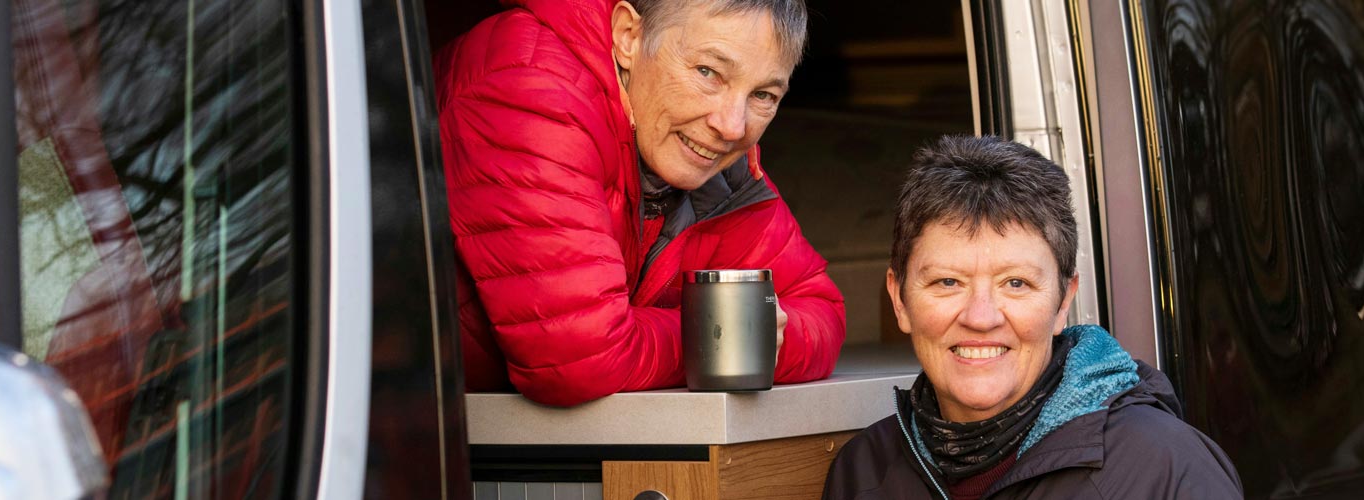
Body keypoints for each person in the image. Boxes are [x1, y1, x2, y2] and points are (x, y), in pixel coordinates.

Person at [433, 0, 846, 406]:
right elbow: (581, 358)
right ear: (629, 36)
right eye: (708, 72)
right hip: (397, 441)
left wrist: (735, 337)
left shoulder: (704, 153)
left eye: (763, 96)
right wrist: (723, 334)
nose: (731, 126)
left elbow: (820, 308)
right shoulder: (533, 88)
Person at [822, 136, 1240, 499]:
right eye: (948, 282)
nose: (981, 317)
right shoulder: (863, 474)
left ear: (1062, 303)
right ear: (899, 300)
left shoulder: (1166, 469)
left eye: (1016, 283)